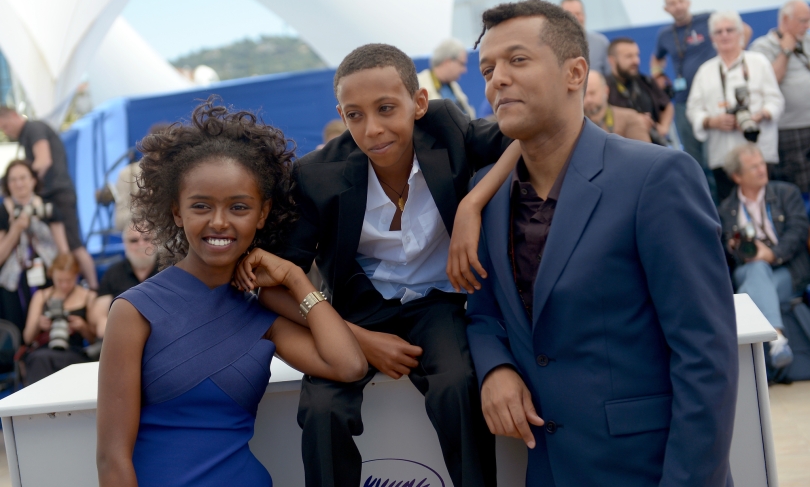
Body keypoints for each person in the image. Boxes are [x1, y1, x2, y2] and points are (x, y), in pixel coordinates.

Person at [467, 0, 738, 486]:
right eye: (487, 68)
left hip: (649, 468)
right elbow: (484, 312)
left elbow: (705, 354)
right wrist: (496, 369)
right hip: (547, 468)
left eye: (517, 60)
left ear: (575, 73)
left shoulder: (657, 176)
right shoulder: (487, 195)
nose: (496, 79)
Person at [267, 43, 521, 487]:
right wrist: (357, 339)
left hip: (438, 302)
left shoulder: (448, 128)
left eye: (386, 108)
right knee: (322, 411)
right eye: (355, 115)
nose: (372, 129)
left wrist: (471, 206)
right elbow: (274, 283)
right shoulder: (317, 175)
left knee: (458, 386)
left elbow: (525, 134)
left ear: (418, 103)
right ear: (341, 115)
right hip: (354, 310)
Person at [96, 100, 367, 487]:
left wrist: (295, 278)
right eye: (201, 206)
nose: (219, 222)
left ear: (262, 213)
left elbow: (348, 365)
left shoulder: (260, 313)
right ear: (177, 212)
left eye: (238, 207)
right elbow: (111, 460)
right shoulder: (134, 311)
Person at [718, 143, 809, 370]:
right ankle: (778, 339)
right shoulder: (726, 209)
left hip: (788, 270)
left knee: (749, 293)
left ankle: (767, 348)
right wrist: (732, 246)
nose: (761, 170)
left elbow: (798, 231)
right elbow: (724, 256)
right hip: (748, 270)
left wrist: (772, 254)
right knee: (756, 269)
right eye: (753, 167)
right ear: (737, 176)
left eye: (762, 164)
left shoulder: (786, 192)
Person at [687, 10, 785, 201]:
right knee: (729, 210)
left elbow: (776, 101)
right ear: (711, 38)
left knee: (768, 204)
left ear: (740, 34)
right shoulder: (705, 71)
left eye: (729, 30)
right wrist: (710, 121)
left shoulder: (759, 62)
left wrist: (759, 115)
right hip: (723, 156)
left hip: (759, 152)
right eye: (719, 31)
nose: (724, 35)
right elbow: (693, 109)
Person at [652, 0, 752, 169]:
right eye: (672, 4)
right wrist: (658, 75)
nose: (678, 7)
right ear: (666, 9)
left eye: (681, 1)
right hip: (683, 101)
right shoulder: (665, 35)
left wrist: (735, 55)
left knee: (716, 158)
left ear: (688, 2)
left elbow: (744, 29)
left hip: (712, 99)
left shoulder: (707, 20)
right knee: (693, 160)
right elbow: (656, 58)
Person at [0, 107, 98, 288]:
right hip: (52, 195)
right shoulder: (26, 135)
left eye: (5, 126)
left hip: (58, 194)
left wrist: (25, 182)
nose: (6, 132)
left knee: (73, 246)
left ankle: (93, 289)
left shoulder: (33, 128)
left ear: (14, 116)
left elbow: (44, 160)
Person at [0, 160, 70, 331]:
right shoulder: (3, 211)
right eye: (13, 180)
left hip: (48, 274)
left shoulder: (48, 208)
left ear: (33, 180)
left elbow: (63, 250)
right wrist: (15, 229)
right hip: (14, 282)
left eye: (23, 178)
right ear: (7, 185)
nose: (18, 184)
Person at [751, 0, 810, 195]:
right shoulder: (762, 47)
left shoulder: (807, 42)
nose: (807, 26)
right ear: (785, 20)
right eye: (803, 21)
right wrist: (785, 50)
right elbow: (770, 79)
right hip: (789, 130)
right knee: (799, 187)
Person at [21, 253, 97, 384]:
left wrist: (82, 326)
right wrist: (39, 324)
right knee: (39, 358)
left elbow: (96, 340)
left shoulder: (88, 296)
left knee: (42, 359)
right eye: (59, 280)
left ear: (76, 276)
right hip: (45, 349)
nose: (64, 285)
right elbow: (27, 338)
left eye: (69, 280)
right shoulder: (41, 296)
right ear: (52, 276)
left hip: (73, 350)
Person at [92, 222, 159, 339]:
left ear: (156, 241)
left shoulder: (170, 268)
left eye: (147, 239)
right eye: (134, 240)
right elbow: (99, 314)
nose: (141, 244)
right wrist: (107, 325)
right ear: (124, 243)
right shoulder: (113, 273)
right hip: (122, 337)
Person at [606, 37, 674, 143]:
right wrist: (635, 121)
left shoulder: (647, 81)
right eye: (629, 56)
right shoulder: (604, 89)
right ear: (612, 61)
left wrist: (663, 128)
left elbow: (667, 106)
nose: (636, 61)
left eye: (637, 55)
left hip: (655, 146)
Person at [584, 71, 651, 142]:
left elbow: (645, 151)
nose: (589, 100)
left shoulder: (630, 118)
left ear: (606, 91)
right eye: (584, 95)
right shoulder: (576, 124)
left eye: (592, 93)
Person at [417, 38, 477, 118]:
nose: (464, 70)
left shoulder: (454, 86)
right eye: (462, 64)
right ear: (448, 62)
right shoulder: (418, 84)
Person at [560, 0, 610, 76]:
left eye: (578, 13)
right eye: (569, 14)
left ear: (584, 16)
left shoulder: (601, 43)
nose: (574, 18)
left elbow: (610, 76)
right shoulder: (551, 46)